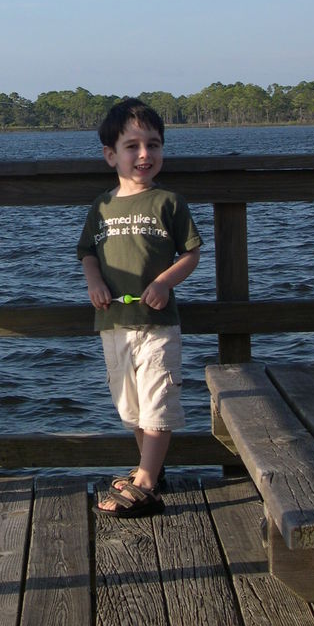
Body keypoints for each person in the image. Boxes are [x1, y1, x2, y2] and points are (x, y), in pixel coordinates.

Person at [77, 98, 202, 517]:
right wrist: (94, 282)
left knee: (157, 399)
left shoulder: (168, 202)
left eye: (154, 144)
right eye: (132, 146)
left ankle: (146, 483)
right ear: (110, 154)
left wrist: (165, 282)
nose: (145, 154)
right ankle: (151, 468)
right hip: (113, 323)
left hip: (157, 324)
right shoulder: (102, 206)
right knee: (129, 402)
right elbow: (87, 253)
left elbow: (190, 253)